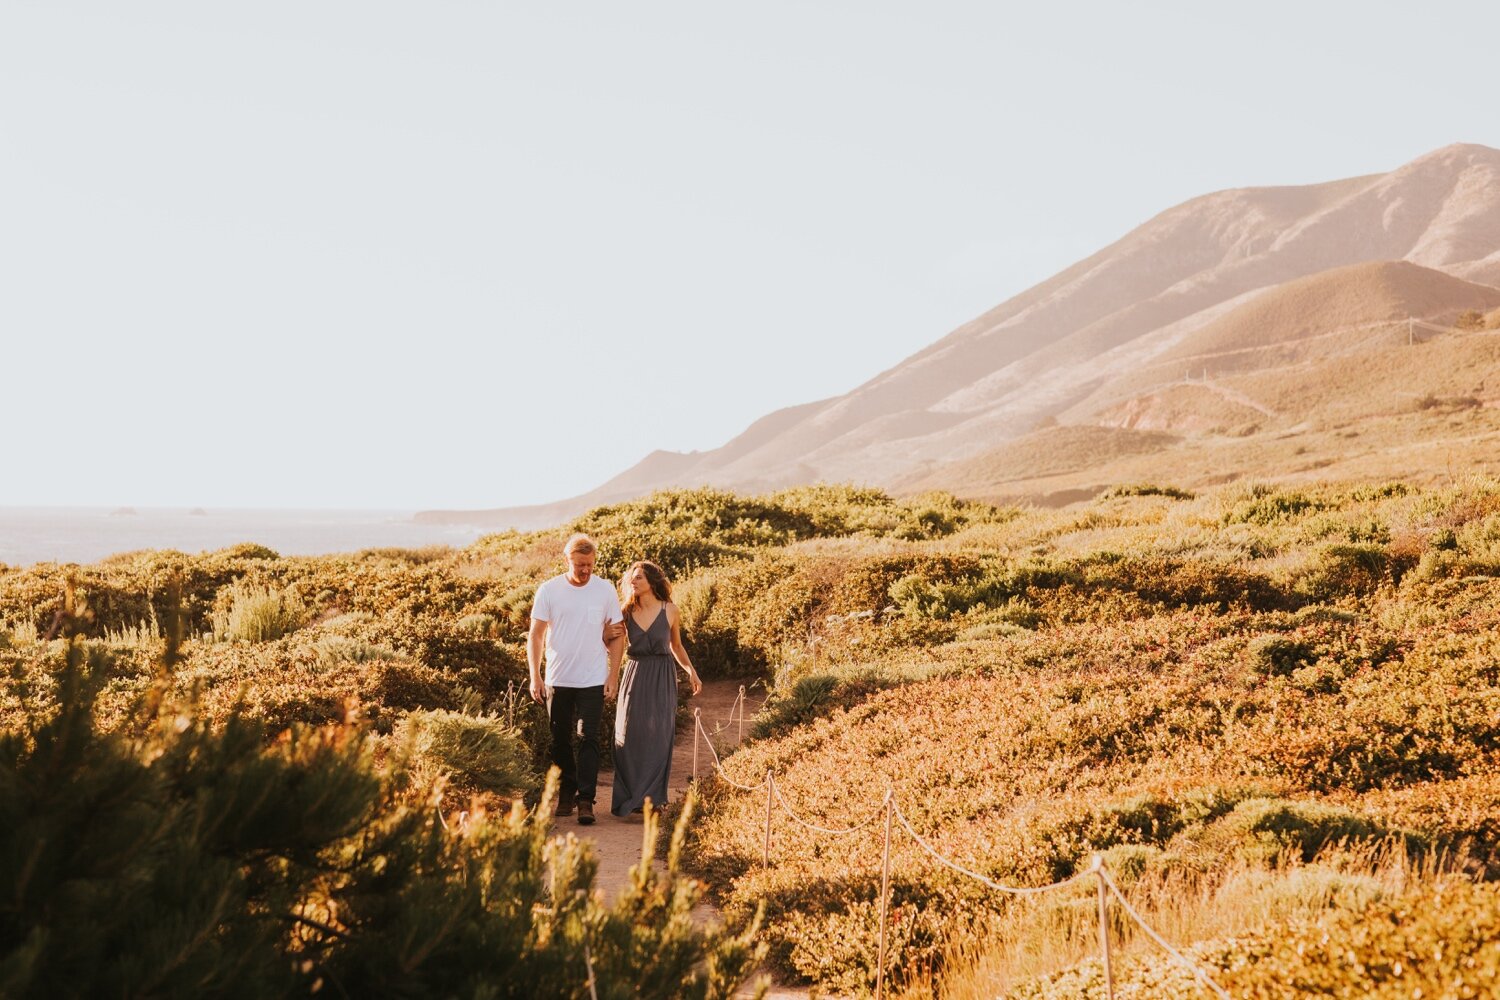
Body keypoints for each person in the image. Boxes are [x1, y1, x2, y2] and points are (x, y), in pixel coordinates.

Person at [528, 533, 624, 826]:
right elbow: (536, 635)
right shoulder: (549, 590)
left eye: (590, 565)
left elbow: (619, 633)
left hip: (593, 678)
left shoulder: (604, 590)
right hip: (558, 678)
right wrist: (536, 675)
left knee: (588, 738)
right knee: (559, 740)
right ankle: (567, 791)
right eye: (580, 564)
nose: (585, 570)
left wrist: (613, 674)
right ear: (567, 560)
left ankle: (586, 800)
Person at [611, 560, 702, 818]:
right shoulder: (625, 611)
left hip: (662, 675)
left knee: (659, 736)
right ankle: (631, 798)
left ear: (652, 581)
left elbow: (676, 646)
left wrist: (691, 671)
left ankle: (653, 800)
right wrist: (606, 636)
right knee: (629, 735)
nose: (633, 581)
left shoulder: (671, 610)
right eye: (632, 578)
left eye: (639, 577)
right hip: (635, 673)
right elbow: (612, 643)